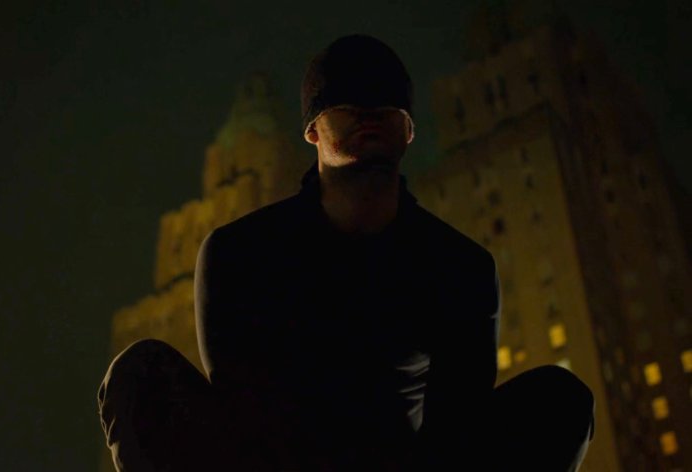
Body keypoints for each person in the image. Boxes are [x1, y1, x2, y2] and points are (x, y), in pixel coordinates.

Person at [98, 34, 595, 471]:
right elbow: (240, 416)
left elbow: (458, 430)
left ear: (409, 130)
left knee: (561, 399)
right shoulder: (240, 253)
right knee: (140, 372)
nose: (369, 113)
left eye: (386, 104)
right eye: (349, 102)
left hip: (407, 465)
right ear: (312, 129)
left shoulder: (458, 267)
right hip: (274, 463)